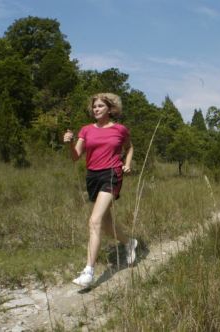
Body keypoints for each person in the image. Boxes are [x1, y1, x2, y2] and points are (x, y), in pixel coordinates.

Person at [63, 92, 137, 287]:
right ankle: (129, 243)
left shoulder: (120, 129)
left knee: (94, 221)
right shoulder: (86, 130)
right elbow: (75, 156)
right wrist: (70, 143)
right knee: (105, 224)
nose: (96, 109)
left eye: (100, 106)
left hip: (112, 174)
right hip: (92, 177)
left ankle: (89, 271)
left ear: (110, 109)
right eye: (94, 106)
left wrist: (127, 164)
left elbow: (129, 148)